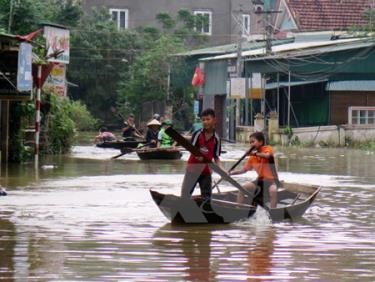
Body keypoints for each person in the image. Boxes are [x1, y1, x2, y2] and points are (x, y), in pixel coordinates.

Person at [181, 108, 223, 201]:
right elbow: (192, 150)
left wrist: (222, 170)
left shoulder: (216, 138)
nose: (205, 122)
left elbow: (216, 157)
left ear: (214, 120)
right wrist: (198, 156)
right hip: (192, 170)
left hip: (206, 172)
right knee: (185, 195)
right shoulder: (197, 134)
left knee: (207, 199)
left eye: (208, 119)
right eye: (203, 120)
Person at [229, 132, 278, 208]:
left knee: (273, 191)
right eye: (250, 142)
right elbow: (243, 170)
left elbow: (268, 156)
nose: (251, 144)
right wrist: (230, 173)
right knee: (242, 188)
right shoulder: (252, 158)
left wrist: (254, 154)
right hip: (260, 181)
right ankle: (238, 208)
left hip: (271, 181)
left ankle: (273, 212)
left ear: (261, 142)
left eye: (253, 142)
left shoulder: (267, 149)